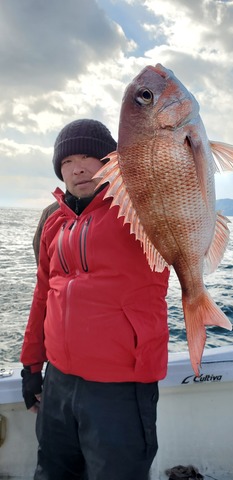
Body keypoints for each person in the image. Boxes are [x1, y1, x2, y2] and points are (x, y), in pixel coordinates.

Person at [20, 118, 170, 480]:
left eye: (90, 156)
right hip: (58, 383)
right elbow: (44, 294)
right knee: (54, 471)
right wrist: (31, 366)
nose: (79, 168)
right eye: (68, 161)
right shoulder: (54, 221)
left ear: (111, 162)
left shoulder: (141, 208)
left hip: (119, 386)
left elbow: (178, 180)